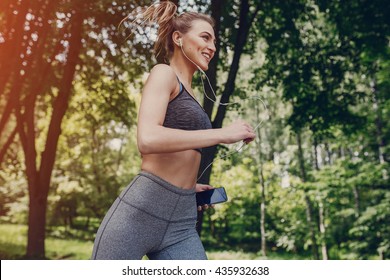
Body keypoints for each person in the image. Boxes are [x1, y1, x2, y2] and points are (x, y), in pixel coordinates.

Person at [91, 1, 255, 260]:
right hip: (140, 213)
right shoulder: (163, 74)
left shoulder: (192, 94)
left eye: (214, 41)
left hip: (181, 221)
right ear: (178, 38)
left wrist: (188, 187)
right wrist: (223, 134)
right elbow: (148, 139)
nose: (212, 47)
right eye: (205, 37)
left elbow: (179, 151)